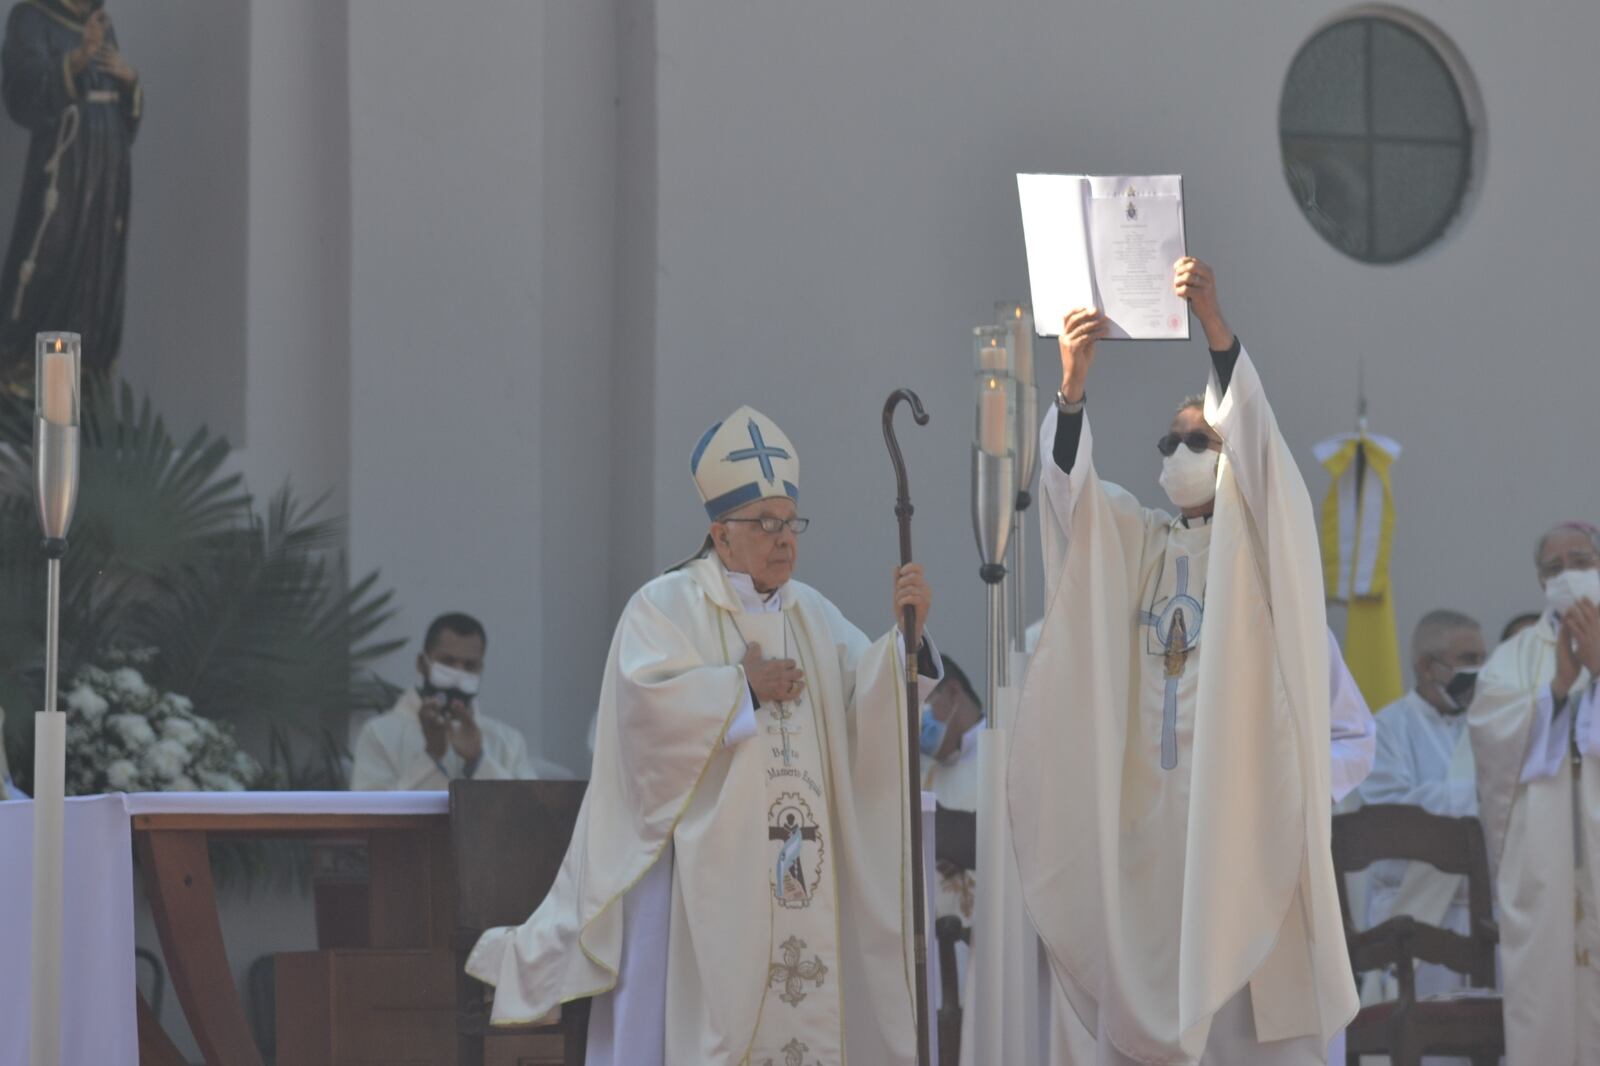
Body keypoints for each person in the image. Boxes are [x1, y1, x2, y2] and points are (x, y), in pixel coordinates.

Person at [467, 406, 940, 1066]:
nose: (784, 540)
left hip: (802, 869)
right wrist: (738, 688)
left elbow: (868, 705)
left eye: (790, 523)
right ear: (721, 534)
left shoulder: (814, 613)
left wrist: (906, 642)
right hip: (698, 882)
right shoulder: (664, 607)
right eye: (765, 525)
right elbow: (640, 719)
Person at [1012, 259, 1358, 1065]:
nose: (1176, 450)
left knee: (1245, 1032)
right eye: (1169, 440)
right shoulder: (1138, 539)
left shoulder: (1259, 549)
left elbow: (1265, 457)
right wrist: (1071, 390)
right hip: (1148, 839)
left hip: (1240, 828)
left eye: (1197, 437)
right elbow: (1071, 508)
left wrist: (1215, 328)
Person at [1468, 521, 1600, 1065]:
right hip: (1543, 856)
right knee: (1543, 993)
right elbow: (1489, 732)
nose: (1568, 574)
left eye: (1581, 559)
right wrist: (1557, 687)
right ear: (1540, 580)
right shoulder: (1514, 656)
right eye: (1554, 567)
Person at [1357, 610, 1489, 1030]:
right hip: (1414, 916)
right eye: (1468, 658)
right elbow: (1396, 817)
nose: (1480, 669)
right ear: (1427, 666)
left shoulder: (1490, 723)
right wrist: (1483, 795)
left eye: (1484, 657)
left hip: (1485, 913)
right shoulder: (1386, 729)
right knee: (1431, 1043)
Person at [1, 0, 141, 385]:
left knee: (99, 270)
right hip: (64, 165)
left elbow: (127, 118)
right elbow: (20, 93)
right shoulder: (31, 17)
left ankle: (89, 375)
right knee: (51, 253)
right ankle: (26, 375)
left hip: (108, 165)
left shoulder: (100, 23)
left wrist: (130, 81)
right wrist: (76, 61)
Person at [350, 612, 538, 789]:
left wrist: (477, 760)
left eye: (470, 665)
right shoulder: (379, 735)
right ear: (422, 663)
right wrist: (431, 756)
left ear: (480, 668)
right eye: (447, 662)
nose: (458, 674)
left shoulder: (508, 741)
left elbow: (528, 814)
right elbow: (371, 816)